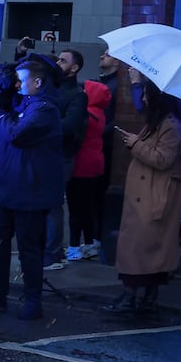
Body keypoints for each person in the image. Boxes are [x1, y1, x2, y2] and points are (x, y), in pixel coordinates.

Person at [0, 56, 63, 320]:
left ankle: (33, 300)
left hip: (30, 192)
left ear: (38, 82)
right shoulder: (21, 105)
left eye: (22, 81)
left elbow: (17, 135)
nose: (17, 86)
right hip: (6, 188)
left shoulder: (45, 110)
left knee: (29, 249)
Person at [103, 77, 181, 315]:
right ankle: (145, 295)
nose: (143, 99)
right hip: (147, 194)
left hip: (154, 197)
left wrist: (134, 144)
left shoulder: (171, 126)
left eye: (146, 95)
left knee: (141, 249)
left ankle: (131, 295)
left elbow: (162, 159)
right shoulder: (158, 123)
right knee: (143, 249)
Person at [42, 48, 88, 271]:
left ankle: (53, 254)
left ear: (75, 68)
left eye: (63, 60)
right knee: (42, 203)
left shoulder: (78, 94)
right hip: (45, 152)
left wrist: (42, 125)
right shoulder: (52, 88)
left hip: (61, 155)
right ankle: (47, 251)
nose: (58, 63)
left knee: (52, 204)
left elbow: (70, 126)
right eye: (58, 59)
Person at [65, 80, 111, 261]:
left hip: (81, 165)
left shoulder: (86, 114)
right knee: (88, 206)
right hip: (95, 164)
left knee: (75, 207)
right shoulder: (100, 113)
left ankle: (74, 247)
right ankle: (91, 243)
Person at [95, 48, 122, 247]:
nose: (102, 56)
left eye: (108, 54)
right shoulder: (103, 83)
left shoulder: (117, 87)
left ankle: (97, 237)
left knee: (99, 193)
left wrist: (100, 131)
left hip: (105, 145)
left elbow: (115, 118)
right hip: (97, 144)